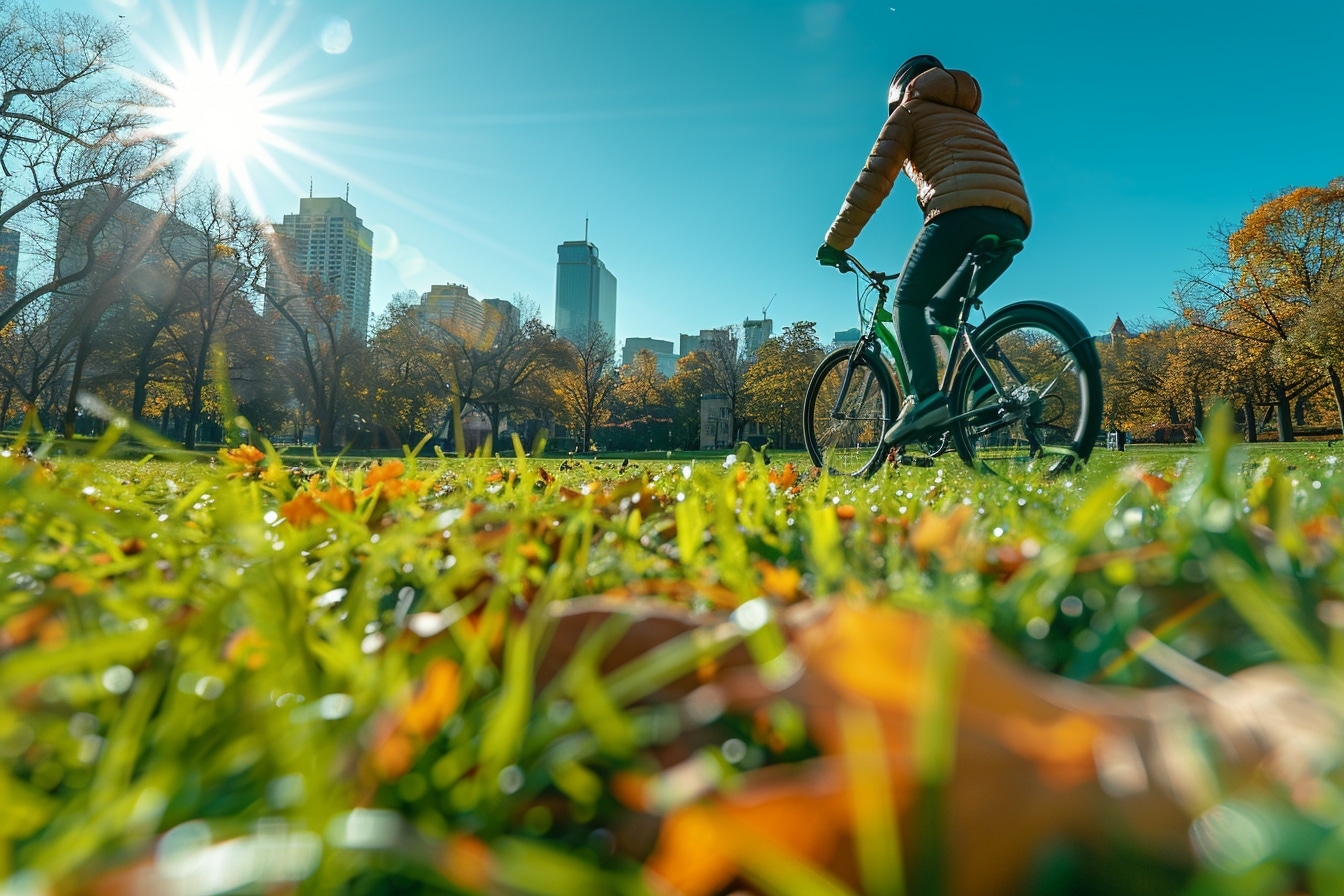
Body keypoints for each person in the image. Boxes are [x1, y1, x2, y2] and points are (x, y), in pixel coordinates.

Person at [817, 55, 1031, 446]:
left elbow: (873, 180)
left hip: (958, 213)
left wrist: (836, 242)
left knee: (908, 302)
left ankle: (925, 400)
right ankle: (983, 393)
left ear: (900, 91)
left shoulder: (910, 112)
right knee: (943, 309)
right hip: (1013, 218)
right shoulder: (973, 119)